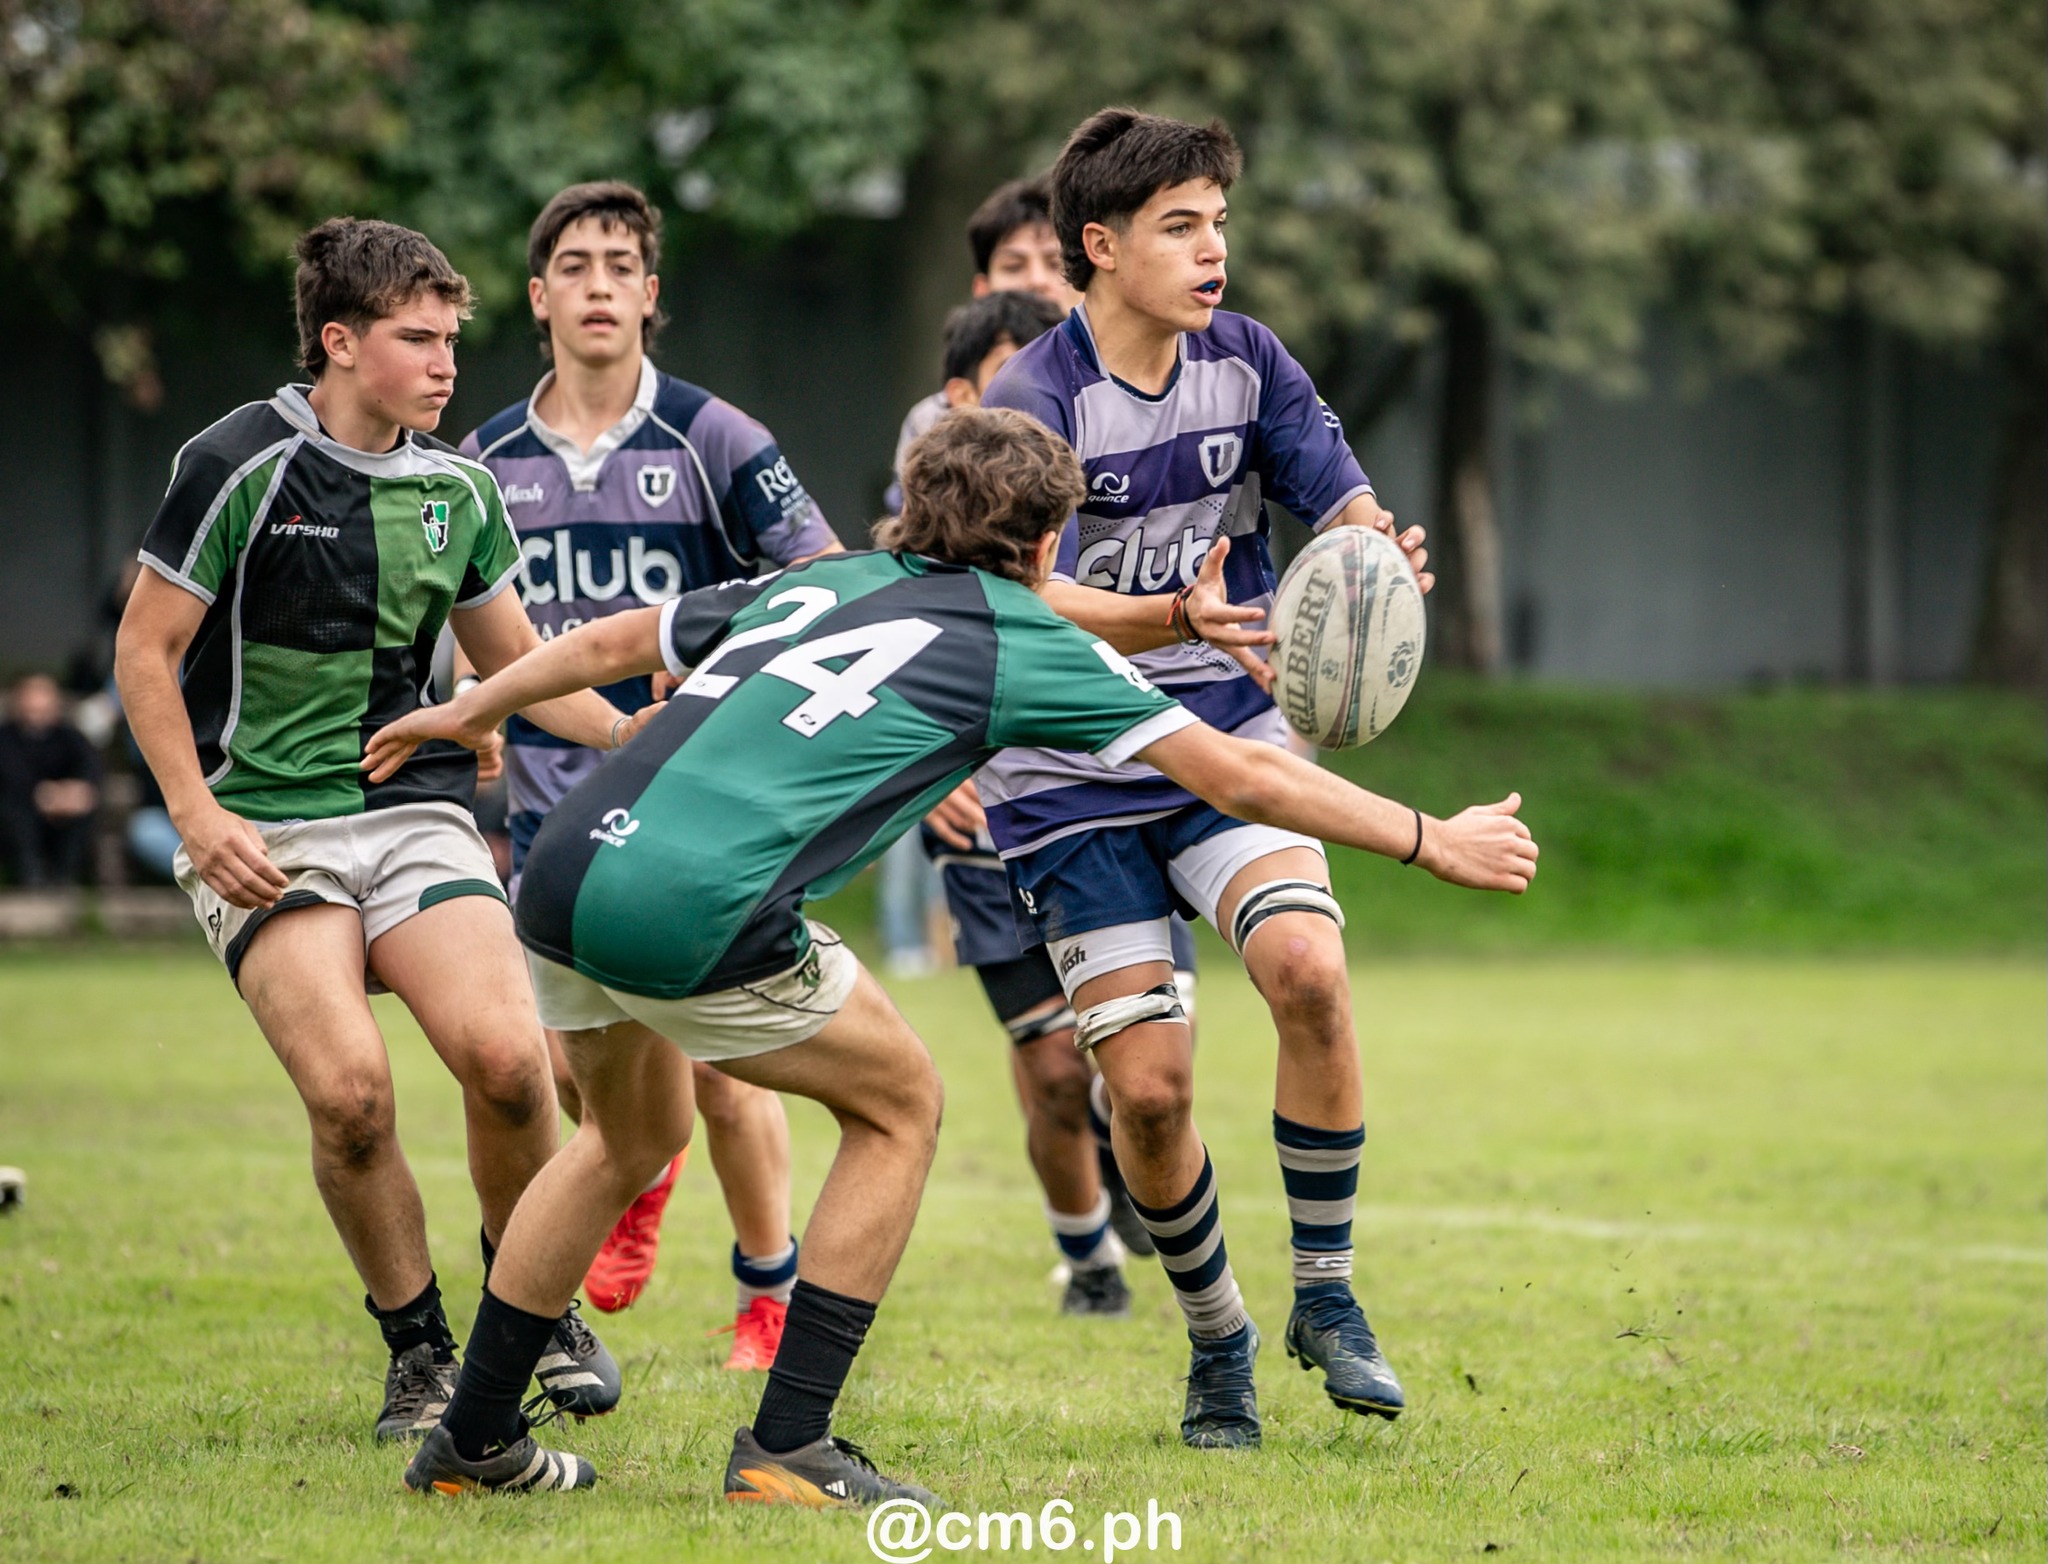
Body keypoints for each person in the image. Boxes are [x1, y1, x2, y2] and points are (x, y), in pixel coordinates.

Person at [364, 406, 1536, 1500]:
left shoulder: (821, 578)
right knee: (900, 1105)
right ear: (1045, 542)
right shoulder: (1022, 638)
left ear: (914, 507)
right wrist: (1428, 836)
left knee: (622, 1138)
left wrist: (471, 707)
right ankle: (788, 1445)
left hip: (566, 867)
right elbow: (1238, 774)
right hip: (692, 902)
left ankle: (472, 1439)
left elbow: (615, 638)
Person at [978, 107, 1456, 1449]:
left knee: (1308, 969)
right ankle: (1217, 1340)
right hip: (1065, 772)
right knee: (1148, 1092)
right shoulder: (1034, 398)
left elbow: (1340, 500)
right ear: (1099, 245)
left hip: (1227, 739)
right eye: (1180, 226)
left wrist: (1372, 562)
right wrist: (1172, 616)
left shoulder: (1247, 360)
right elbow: (1024, 595)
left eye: (1219, 224)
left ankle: (1328, 1296)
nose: (1213, 251)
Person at [113, 217, 626, 1444]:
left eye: (451, 339)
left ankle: (531, 1301)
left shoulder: (459, 489)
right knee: (349, 1096)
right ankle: (419, 1354)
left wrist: (635, 731)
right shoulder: (235, 461)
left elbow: (520, 667)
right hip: (264, 828)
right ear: (339, 342)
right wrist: (196, 814)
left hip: (411, 815)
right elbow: (145, 650)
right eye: (417, 339)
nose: (447, 364)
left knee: (510, 1063)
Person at [462, 182, 840, 1361]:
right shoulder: (483, 461)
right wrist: (471, 706)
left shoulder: (716, 437)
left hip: (697, 802)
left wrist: (734, 670)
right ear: (538, 297)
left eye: (620, 266)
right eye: (574, 266)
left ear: (649, 294)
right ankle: (642, 1162)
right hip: (549, 808)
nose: (598, 286)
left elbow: (823, 578)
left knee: (729, 1062)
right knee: (576, 1069)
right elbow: (455, 618)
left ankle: (767, 1293)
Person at [914, 289, 1167, 1316]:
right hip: (987, 818)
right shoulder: (936, 491)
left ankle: (1134, 1149)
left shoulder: (1105, 450)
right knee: (1055, 1068)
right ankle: (1090, 1260)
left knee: (1140, 1069)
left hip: (1111, 806)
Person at [884, 175, 1083, 512]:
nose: (1036, 281)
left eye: (1055, 264)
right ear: (982, 290)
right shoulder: (933, 419)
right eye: (1014, 266)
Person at [0, 674, 101, 887]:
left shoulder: (69, 736)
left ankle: (64, 877)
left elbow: (90, 767)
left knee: (85, 808)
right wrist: (41, 795)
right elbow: (10, 775)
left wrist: (74, 793)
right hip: (19, 814)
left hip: (63, 811)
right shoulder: (6, 737)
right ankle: (30, 875)